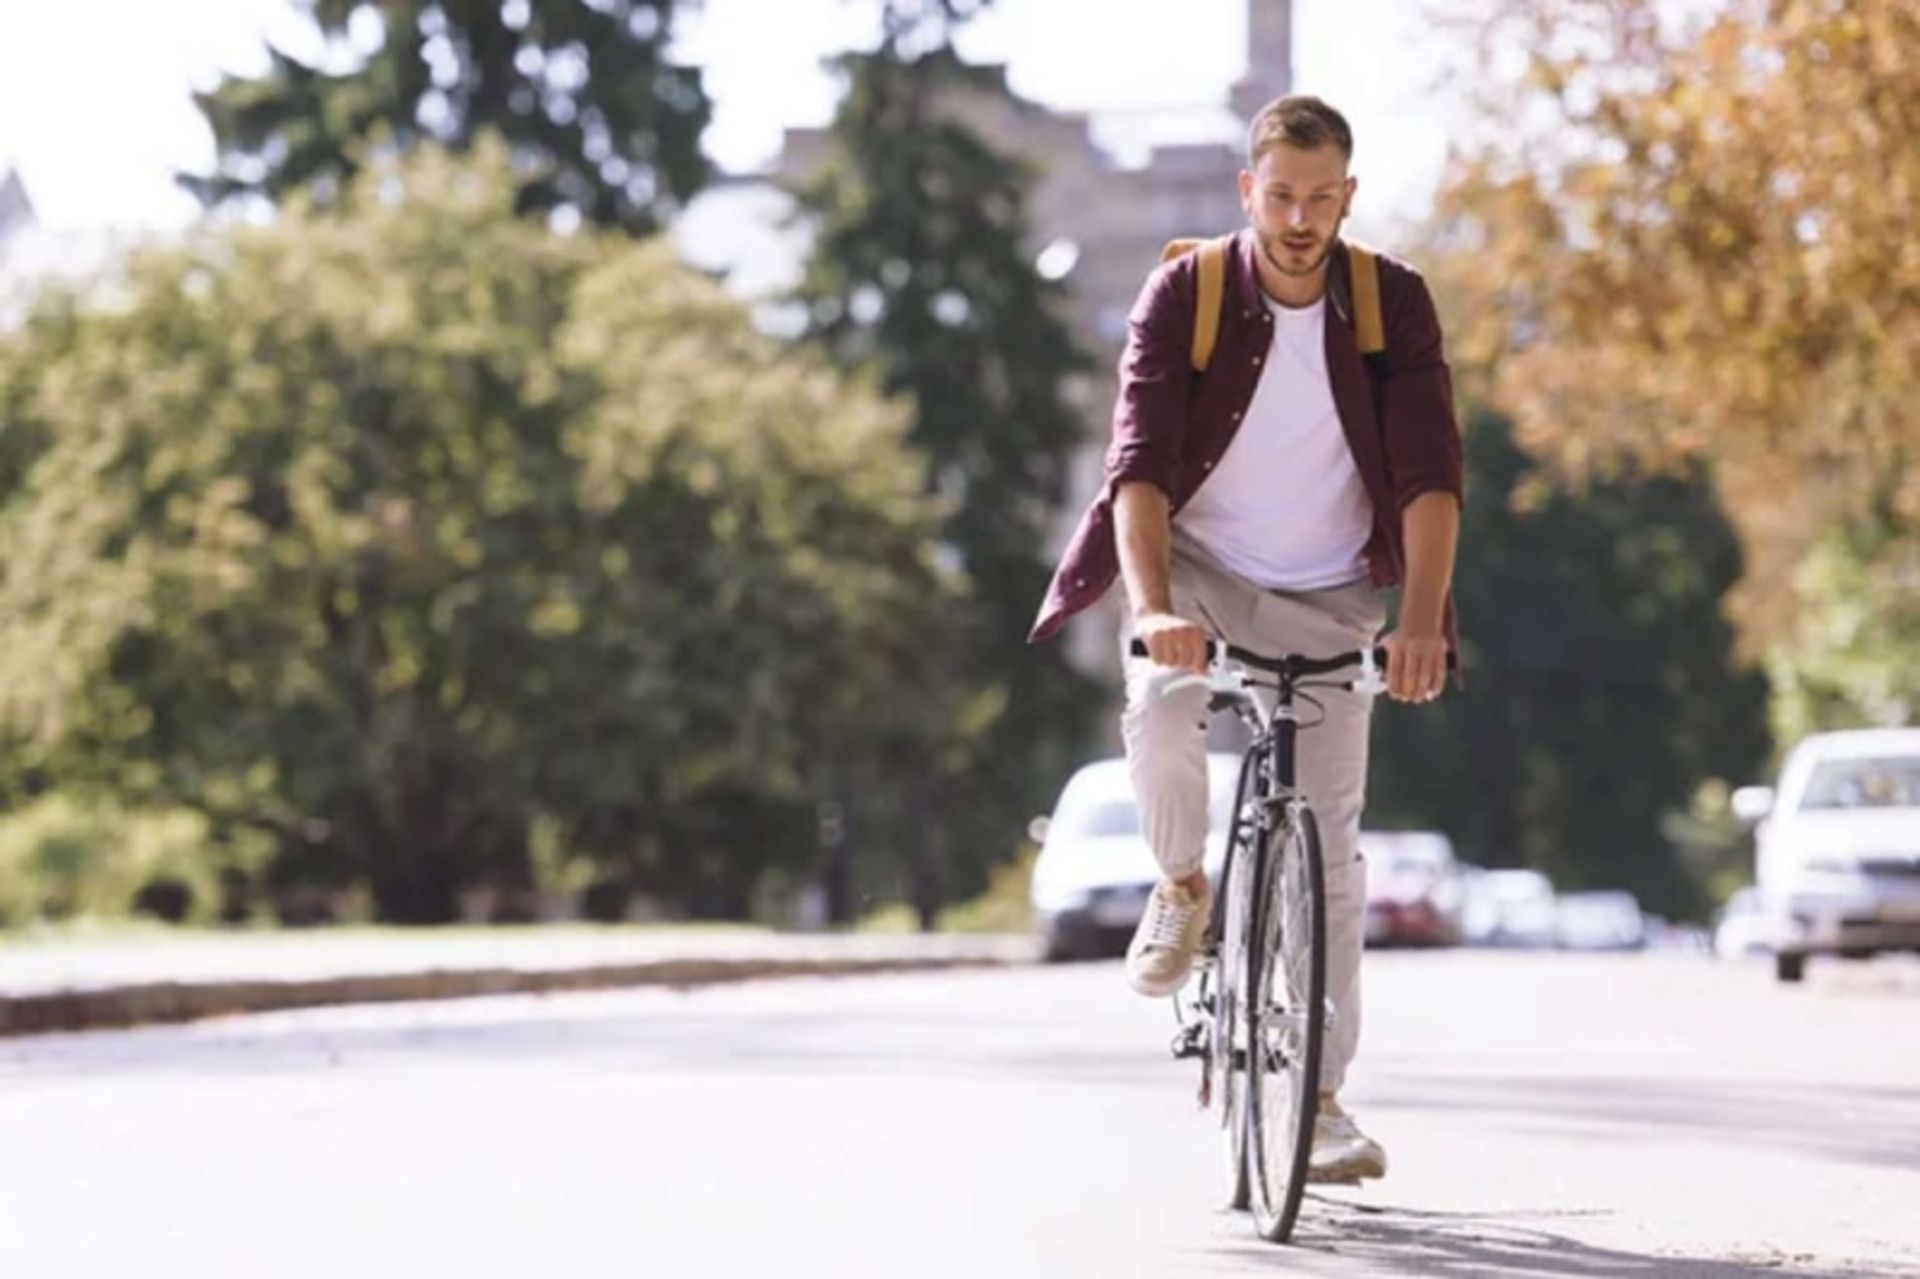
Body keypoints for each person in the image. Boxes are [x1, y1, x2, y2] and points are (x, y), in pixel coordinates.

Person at [1028, 95, 1463, 1184]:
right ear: (1248, 192)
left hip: (1331, 595)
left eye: (1322, 199)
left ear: (1349, 197)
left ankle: (1317, 1102)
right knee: (1163, 706)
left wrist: (1416, 623)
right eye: (1282, 196)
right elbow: (1138, 467)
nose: (1301, 218)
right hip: (1203, 574)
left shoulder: (1390, 303)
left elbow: (1430, 478)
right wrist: (1153, 606)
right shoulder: (1191, 290)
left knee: (1334, 855)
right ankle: (1182, 888)